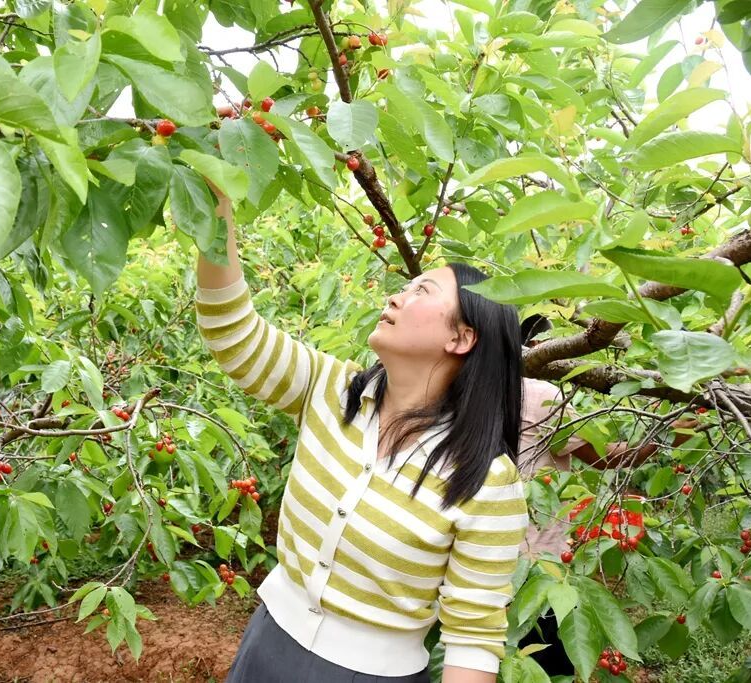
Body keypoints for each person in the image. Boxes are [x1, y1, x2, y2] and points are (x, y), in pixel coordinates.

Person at [194, 183, 529, 683]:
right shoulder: (330, 389)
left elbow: (473, 638)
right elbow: (233, 331)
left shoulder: (486, 481)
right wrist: (216, 200)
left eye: (423, 291)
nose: (397, 294)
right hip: (267, 641)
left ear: (461, 338)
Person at [515, 315, 698, 675]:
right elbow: (606, 456)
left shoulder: (464, 393)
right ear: (543, 351)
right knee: (550, 667)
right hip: (540, 567)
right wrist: (662, 435)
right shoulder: (542, 397)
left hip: (476, 564)